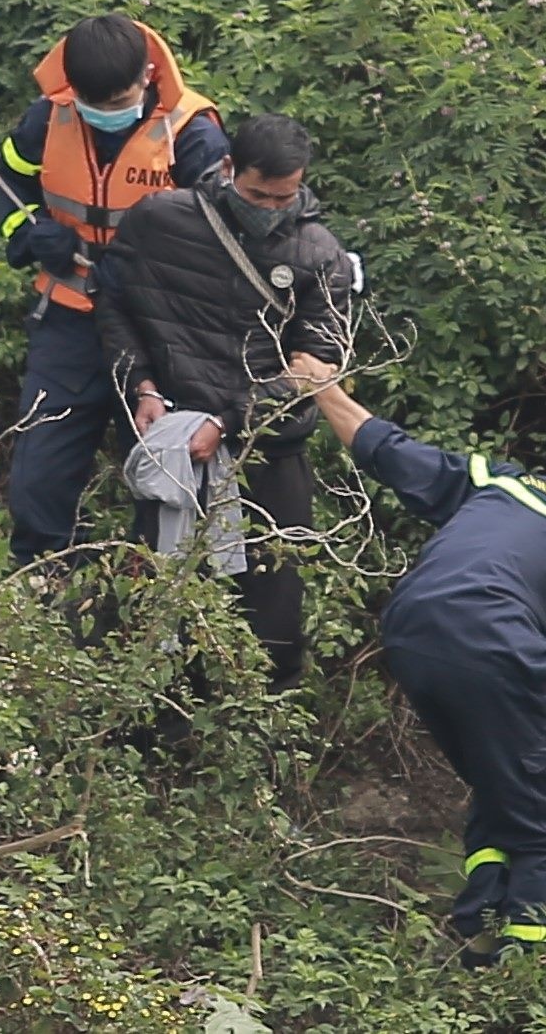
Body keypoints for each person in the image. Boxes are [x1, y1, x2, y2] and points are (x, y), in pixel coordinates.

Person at [302, 370, 546, 967]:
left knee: (498, 780)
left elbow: (394, 453)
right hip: (493, 639)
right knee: (536, 805)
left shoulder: (510, 484)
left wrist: (324, 388)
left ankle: (479, 924)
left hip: (410, 630)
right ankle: (530, 964)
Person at [94, 112, 356, 690]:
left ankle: (266, 727)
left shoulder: (321, 255)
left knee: (275, 607)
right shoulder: (160, 221)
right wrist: (141, 387)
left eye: (283, 197)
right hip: (176, 443)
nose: (269, 208)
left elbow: (314, 367)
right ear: (229, 168)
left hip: (267, 447)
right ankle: (157, 728)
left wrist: (231, 421)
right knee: (163, 597)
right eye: (258, 194)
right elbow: (114, 305)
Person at [0, 14, 225, 568]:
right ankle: (42, 587)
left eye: (119, 100)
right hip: (68, 323)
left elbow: (222, 242)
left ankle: (151, 607)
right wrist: (29, 232)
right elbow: (8, 182)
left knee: (162, 476)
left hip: (157, 334)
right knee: (38, 477)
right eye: (95, 102)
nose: (108, 114)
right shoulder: (48, 117)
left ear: (147, 75)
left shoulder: (193, 133)